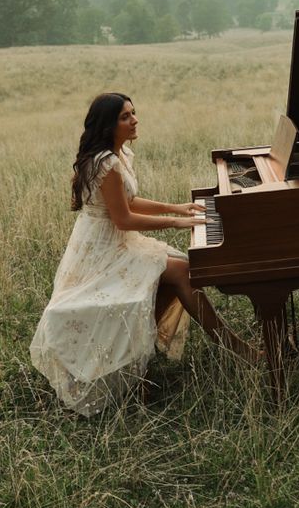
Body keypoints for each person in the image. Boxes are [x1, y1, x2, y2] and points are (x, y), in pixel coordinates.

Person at [30, 91, 257, 414]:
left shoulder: (117, 155)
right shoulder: (105, 163)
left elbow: (128, 201)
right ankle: (235, 347)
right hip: (105, 249)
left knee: (179, 269)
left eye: (134, 113)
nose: (135, 120)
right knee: (180, 271)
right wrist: (175, 223)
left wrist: (175, 207)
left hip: (113, 241)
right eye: (125, 116)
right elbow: (123, 219)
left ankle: (145, 356)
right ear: (108, 125)